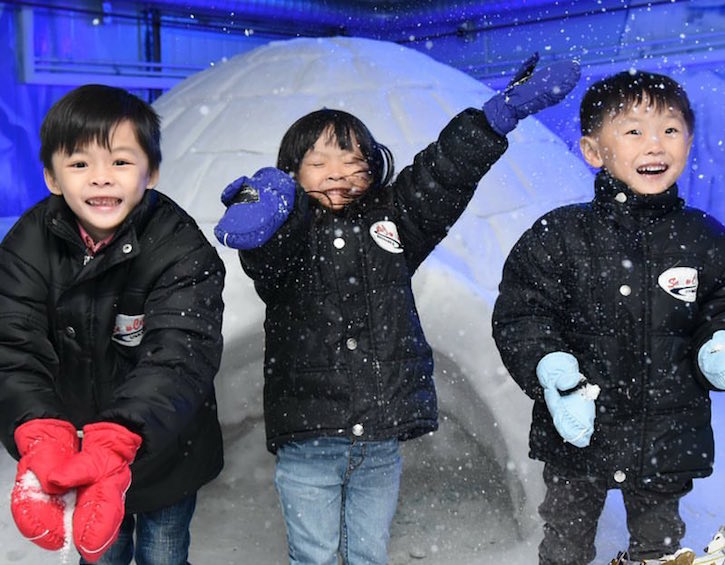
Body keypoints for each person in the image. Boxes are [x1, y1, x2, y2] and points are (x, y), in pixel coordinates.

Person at [214, 53, 580, 565]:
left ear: (372, 167)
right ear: (292, 174)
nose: (336, 174)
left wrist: (499, 115)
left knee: (368, 552)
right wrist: (263, 216)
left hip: (379, 441)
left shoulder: (394, 222)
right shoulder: (287, 236)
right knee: (313, 554)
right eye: (318, 164)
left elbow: (443, 174)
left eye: (352, 161)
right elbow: (267, 262)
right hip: (309, 441)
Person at [492, 70, 725, 565]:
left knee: (660, 551)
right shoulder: (560, 235)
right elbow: (522, 313)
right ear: (594, 151)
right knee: (566, 546)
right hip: (579, 435)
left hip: (666, 434)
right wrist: (551, 371)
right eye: (634, 131)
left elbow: (721, 304)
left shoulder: (704, 237)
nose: (655, 145)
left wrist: (717, 342)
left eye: (670, 129)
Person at [0, 84, 225, 565]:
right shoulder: (28, 246)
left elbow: (181, 353)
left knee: (162, 553)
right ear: (52, 177)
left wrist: (120, 435)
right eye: (80, 164)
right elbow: (12, 344)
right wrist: (41, 430)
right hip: (78, 446)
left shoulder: (180, 246)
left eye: (120, 162)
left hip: (166, 446)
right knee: (100, 552)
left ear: (152, 171)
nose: (101, 179)